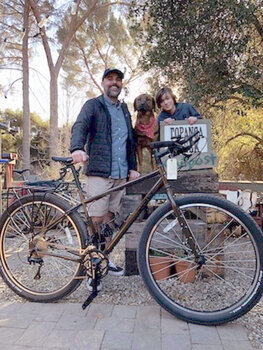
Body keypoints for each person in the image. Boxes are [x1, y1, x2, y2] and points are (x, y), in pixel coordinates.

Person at [70, 68, 140, 290]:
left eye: (118, 80)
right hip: (99, 172)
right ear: (103, 83)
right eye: (110, 79)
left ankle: (105, 258)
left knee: (109, 220)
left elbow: (130, 140)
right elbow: (80, 125)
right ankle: (92, 268)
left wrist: (133, 167)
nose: (115, 82)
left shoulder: (125, 110)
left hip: (120, 174)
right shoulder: (94, 105)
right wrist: (76, 148)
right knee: (96, 220)